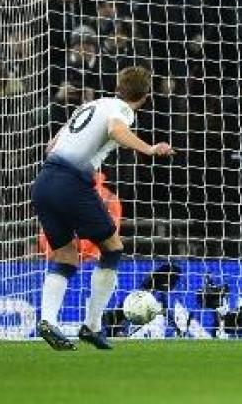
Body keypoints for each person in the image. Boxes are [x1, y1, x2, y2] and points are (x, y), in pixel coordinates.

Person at [32, 66, 173, 351]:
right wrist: (149, 149)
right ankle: (92, 325)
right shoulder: (123, 111)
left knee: (66, 256)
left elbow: (51, 145)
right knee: (112, 247)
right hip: (71, 183)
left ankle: (48, 320)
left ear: (118, 85)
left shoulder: (90, 105)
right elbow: (115, 129)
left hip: (44, 181)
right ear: (144, 96)